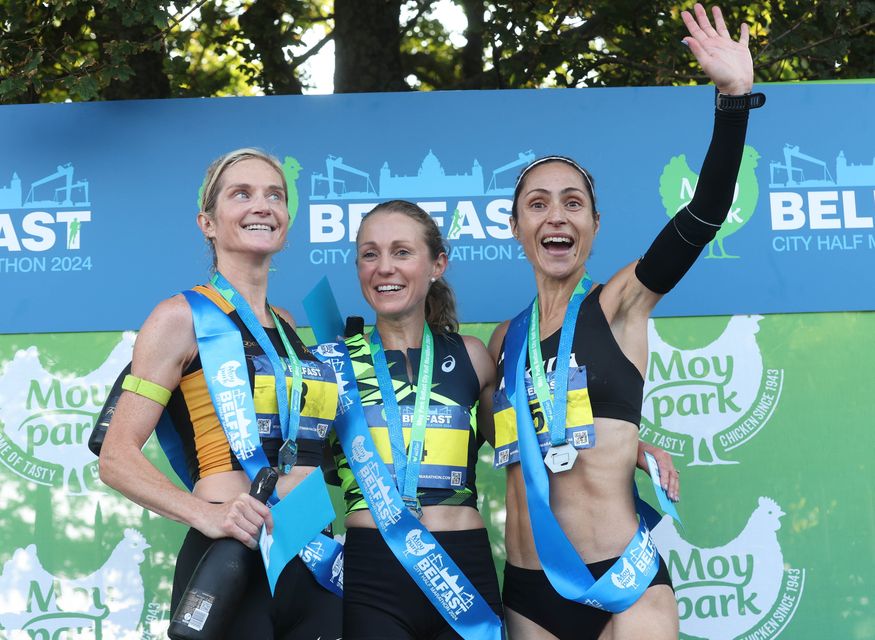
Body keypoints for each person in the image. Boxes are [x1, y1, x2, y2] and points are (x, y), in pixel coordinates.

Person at [483, 5, 759, 639]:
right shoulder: (503, 340)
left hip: (620, 583)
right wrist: (636, 447)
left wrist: (733, 99)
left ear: (594, 226)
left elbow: (704, 214)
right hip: (528, 590)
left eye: (573, 203)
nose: (557, 216)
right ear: (517, 227)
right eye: (538, 204)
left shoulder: (619, 302)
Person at [99, 148, 342, 639]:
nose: (262, 205)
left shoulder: (290, 326)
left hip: (312, 554)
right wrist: (204, 515)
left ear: (287, 222)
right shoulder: (179, 317)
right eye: (242, 194)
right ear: (207, 223)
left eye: (275, 195)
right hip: (233, 555)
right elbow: (115, 457)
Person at [329, 200, 504, 639]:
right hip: (373, 570)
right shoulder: (331, 364)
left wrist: (633, 447)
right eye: (370, 254)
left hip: (462, 569)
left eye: (402, 252)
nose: (384, 267)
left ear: (437, 264)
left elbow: (523, 448)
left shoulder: (473, 356)